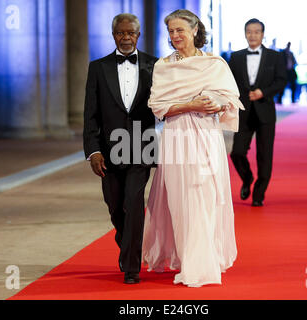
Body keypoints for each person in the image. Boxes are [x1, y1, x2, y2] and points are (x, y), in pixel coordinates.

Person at [142, 9, 244, 287]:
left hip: (207, 136)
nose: (175, 36)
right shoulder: (164, 66)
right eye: (171, 32)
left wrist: (217, 103)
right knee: (180, 198)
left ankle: (203, 260)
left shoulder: (215, 64)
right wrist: (192, 104)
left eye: (180, 31)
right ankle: (186, 258)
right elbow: (158, 106)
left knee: (206, 195)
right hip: (177, 136)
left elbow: (231, 99)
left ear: (195, 31)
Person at [83, 13, 158, 284]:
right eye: (120, 33)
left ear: (138, 35)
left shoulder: (155, 65)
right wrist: (93, 151)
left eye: (131, 33)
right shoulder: (98, 67)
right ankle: (127, 245)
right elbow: (90, 113)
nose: (126, 38)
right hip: (109, 148)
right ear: (113, 35)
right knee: (115, 206)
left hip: (141, 144)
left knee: (134, 204)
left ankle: (131, 267)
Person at [228, 18, 287, 207]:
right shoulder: (235, 57)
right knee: (237, 152)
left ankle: (259, 194)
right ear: (245, 34)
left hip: (265, 112)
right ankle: (247, 178)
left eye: (257, 32)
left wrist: (264, 92)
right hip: (243, 112)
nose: (253, 35)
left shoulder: (275, 57)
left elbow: (281, 81)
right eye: (249, 32)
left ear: (263, 34)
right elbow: (229, 82)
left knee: (264, 155)